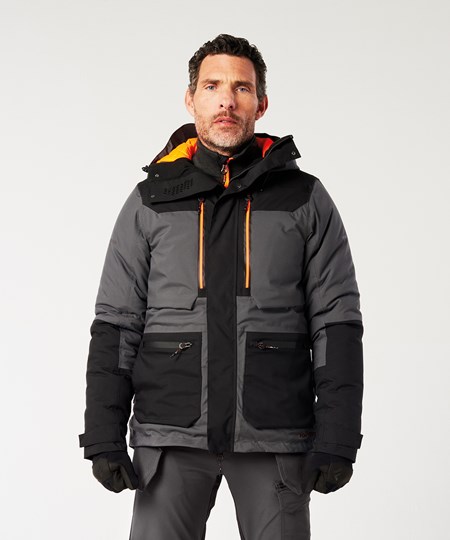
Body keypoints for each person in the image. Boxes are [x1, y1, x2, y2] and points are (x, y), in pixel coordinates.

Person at [79, 34, 364, 540]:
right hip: (171, 434)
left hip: (274, 435)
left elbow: (336, 323)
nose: (226, 101)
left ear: (261, 103)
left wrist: (339, 436)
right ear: (191, 99)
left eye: (241, 88)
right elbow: (116, 323)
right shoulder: (151, 201)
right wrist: (103, 433)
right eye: (212, 87)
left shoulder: (304, 199)